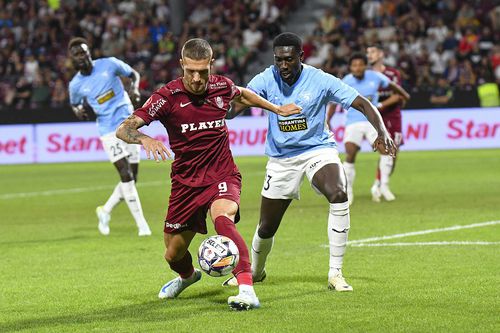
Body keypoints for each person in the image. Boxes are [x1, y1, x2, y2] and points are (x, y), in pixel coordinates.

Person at [115, 38, 301, 310]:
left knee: (223, 221)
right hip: (185, 184)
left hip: (221, 175)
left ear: (211, 65)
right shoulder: (167, 97)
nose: (197, 78)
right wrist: (145, 139)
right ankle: (188, 277)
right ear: (181, 65)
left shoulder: (221, 86)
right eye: (191, 71)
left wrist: (276, 108)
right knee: (172, 254)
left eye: (203, 71)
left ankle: (247, 288)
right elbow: (124, 129)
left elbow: (243, 94)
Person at [223, 32, 396, 292]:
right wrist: (220, 104)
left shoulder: (320, 80)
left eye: (289, 60)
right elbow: (235, 109)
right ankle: (256, 272)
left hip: (318, 150)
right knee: (266, 226)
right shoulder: (265, 78)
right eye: (279, 60)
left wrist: (382, 132)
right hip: (281, 158)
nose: (283, 66)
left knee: (338, 193)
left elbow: (361, 103)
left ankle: (335, 273)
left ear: (301, 57)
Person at [68, 37, 152, 236]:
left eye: (83, 52)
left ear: (89, 52)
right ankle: (142, 226)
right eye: (77, 54)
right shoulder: (76, 85)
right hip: (107, 130)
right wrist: (78, 110)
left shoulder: (109, 64)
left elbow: (133, 74)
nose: (81, 57)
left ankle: (105, 211)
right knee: (126, 175)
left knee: (132, 177)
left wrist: (134, 88)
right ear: (73, 59)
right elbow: (75, 103)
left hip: (129, 123)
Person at [330, 52, 409, 205]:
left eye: (360, 65)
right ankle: (349, 191)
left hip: (373, 122)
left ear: (365, 66)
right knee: (350, 154)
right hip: (353, 123)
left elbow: (393, 86)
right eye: (354, 65)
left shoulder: (375, 76)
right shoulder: (346, 81)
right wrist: (328, 120)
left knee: (386, 152)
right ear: (350, 67)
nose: (358, 68)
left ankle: (384, 187)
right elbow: (333, 102)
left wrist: (405, 96)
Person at [366, 44, 409, 202]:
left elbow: (398, 96)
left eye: (373, 51)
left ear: (381, 54)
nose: (369, 55)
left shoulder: (392, 73)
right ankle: (380, 185)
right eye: (368, 52)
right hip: (375, 118)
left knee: (394, 153)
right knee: (384, 150)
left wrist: (381, 105)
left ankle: (379, 183)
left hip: (392, 115)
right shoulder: (365, 75)